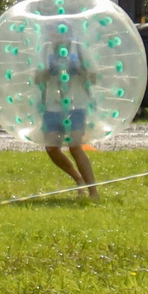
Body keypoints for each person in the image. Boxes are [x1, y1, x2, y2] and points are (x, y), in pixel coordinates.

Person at [35, 29, 98, 201]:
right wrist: (48, 72)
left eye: (63, 33)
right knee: (52, 148)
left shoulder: (79, 49)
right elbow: (37, 79)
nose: (59, 37)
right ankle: (78, 179)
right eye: (55, 33)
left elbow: (93, 78)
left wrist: (79, 70)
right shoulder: (46, 50)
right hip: (52, 105)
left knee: (75, 145)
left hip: (77, 104)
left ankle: (93, 192)